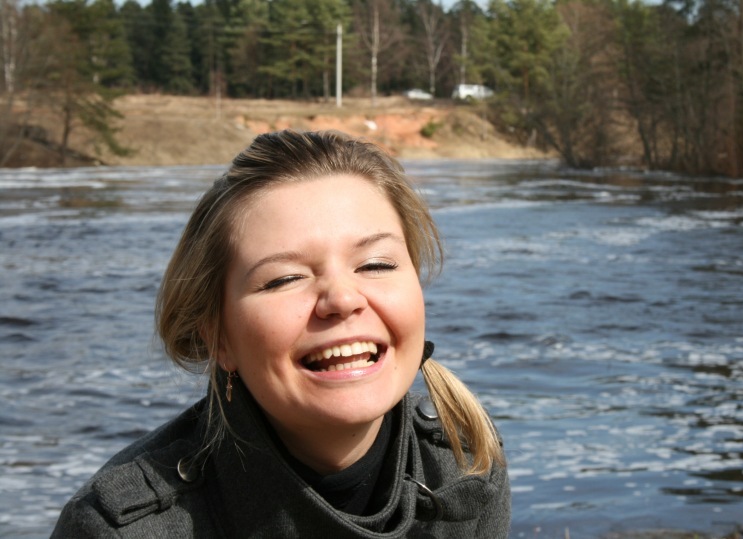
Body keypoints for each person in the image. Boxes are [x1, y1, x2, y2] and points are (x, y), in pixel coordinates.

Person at [52, 130, 510, 538]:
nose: (342, 298)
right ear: (218, 337)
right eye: (284, 279)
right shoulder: (120, 529)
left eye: (375, 264)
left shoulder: (467, 464)